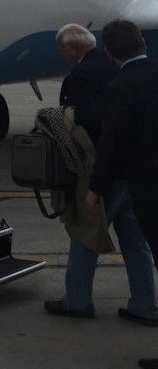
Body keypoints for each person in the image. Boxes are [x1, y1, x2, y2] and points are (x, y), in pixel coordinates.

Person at [44, 24, 158, 323]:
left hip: (112, 172)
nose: (60, 55)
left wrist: (96, 184)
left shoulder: (87, 75)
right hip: (139, 175)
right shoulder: (122, 70)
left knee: (85, 232)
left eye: (61, 49)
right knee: (134, 239)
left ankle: (77, 300)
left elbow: (106, 133)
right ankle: (144, 304)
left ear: (73, 48)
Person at [84, 20, 158, 369]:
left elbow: (112, 145)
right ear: (143, 41)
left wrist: (96, 187)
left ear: (109, 52)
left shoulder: (121, 86)